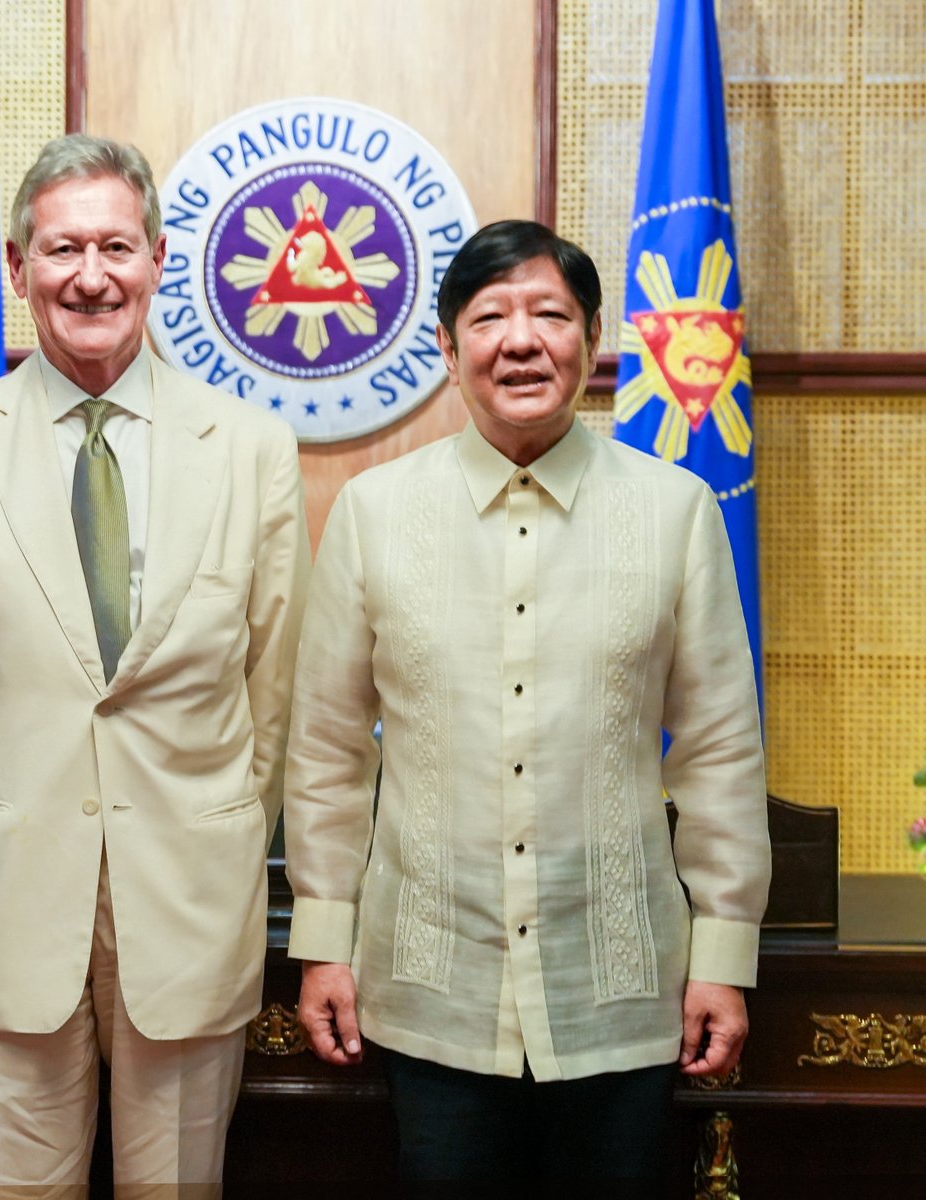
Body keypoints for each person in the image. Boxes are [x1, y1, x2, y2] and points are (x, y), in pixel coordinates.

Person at [283, 220, 770, 1195]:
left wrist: (724, 955)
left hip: (622, 997)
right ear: (448, 350)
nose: (521, 339)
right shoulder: (376, 514)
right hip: (430, 994)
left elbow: (718, 752)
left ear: (592, 343)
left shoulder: (674, 512)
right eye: (489, 317)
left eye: (551, 315)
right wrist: (324, 945)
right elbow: (329, 751)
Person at [0, 133, 310, 1198]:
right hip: (6, 902)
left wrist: (212, 821)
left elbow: (274, 686)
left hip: (188, 905)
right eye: (61, 250)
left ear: (159, 257)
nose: (92, 275)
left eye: (117, 245)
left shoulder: (251, 449)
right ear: (18, 270)